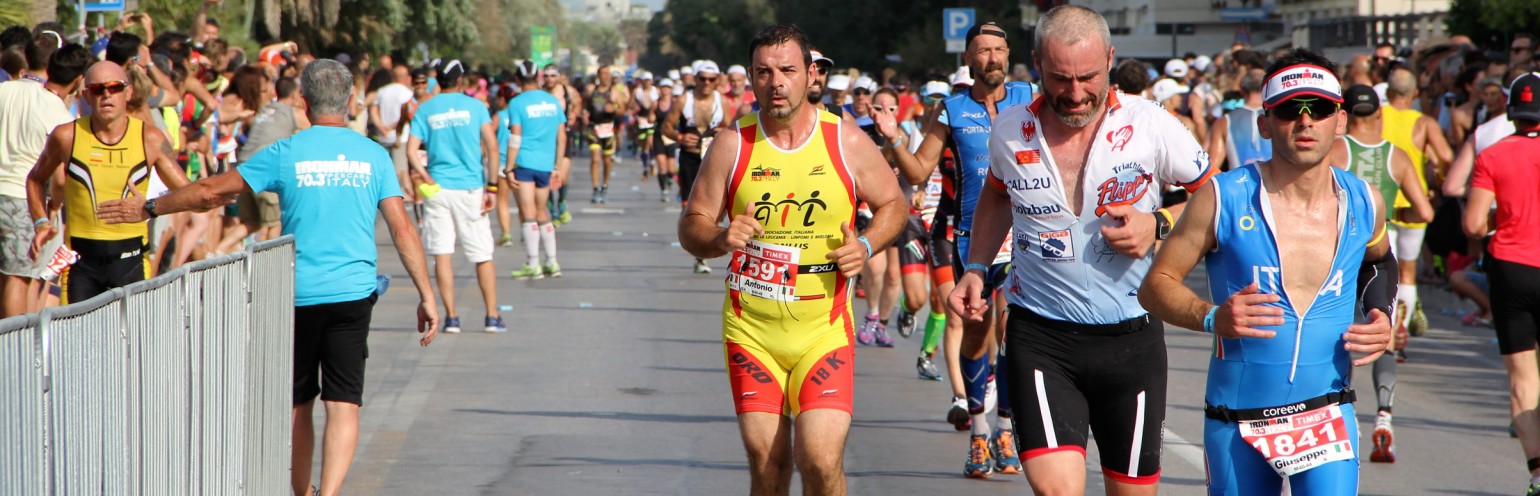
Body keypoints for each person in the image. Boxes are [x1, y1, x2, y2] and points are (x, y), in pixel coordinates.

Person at [96, 58, 440, 496]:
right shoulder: (373, 155)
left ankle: (303, 492)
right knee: (344, 402)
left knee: (299, 403)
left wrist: (148, 207)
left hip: (297, 295)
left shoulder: (286, 152)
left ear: (304, 102)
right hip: (352, 294)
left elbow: (210, 191)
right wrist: (427, 294)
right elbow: (403, 227)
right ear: (350, 101)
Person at [949, 6, 1215, 492]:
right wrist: (976, 266)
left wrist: (1158, 222)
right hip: (1040, 336)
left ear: (1110, 59)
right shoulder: (1009, 128)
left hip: (1132, 340)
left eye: (1088, 77)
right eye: (1060, 78)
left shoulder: (1151, 124)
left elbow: (1217, 200)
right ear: (1036, 64)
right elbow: (996, 195)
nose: (1075, 94)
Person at [1139, 48, 1395, 495]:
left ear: (1340, 120)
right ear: (1264, 123)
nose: (1305, 122)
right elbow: (1154, 286)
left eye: (1318, 109)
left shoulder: (1364, 201)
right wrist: (1211, 316)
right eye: (1289, 111)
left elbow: (1380, 261)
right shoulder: (1222, 197)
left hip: (1326, 416)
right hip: (1238, 421)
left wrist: (1382, 315)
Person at [676, 24, 903, 496]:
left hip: (823, 329)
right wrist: (720, 237)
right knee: (768, 464)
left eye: (787, 70)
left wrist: (865, 246)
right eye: (763, 72)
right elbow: (691, 225)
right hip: (751, 331)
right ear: (751, 78)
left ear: (810, 74)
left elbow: (894, 204)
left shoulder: (843, 139)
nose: (775, 82)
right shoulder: (732, 144)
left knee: (819, 460)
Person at [889, 20, 1033, 478]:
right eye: (982, 51)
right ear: (968, 59)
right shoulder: (951, 109)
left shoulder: (1030, 95)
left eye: (998, 50)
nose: (992, 58)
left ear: (1008, 55)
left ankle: (1005, 428)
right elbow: (918, 171)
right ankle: (978, 431)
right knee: (975, 335)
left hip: (1027, 235)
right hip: (973, 241)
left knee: (1013, 334)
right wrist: (893, 137)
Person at [1325, 83, 1434, 464]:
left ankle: (1345, 414)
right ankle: (1384, 413)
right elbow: (1425, 212)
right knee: (1379, 333)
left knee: (1342, 335)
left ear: (1344, 116)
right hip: (1379, 253)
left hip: (1338, 253)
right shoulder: (1396, 156)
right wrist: (1394, 214)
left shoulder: (1336, 150)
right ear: (1379, 115)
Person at [24, 61, 190, 303]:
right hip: (80, 264)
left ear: (128, 92)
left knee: (131, 329)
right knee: (77, 329)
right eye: (97, 89)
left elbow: (190, 195)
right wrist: (41, 223)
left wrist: (152, 206)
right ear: (86, 96)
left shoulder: (150, 139)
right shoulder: (66, 136)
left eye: (114, 87)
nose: (106, 95)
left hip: (132, 261)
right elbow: (35, 178)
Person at [1462, 72, 1540, 496]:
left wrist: (1501, 217)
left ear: (1512, 111)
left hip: (1512, 269)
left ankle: (1538, 473)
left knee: (1522, 377)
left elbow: (1474, 224)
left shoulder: (1492, 155)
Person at [404, 59, 504, 334]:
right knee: (482, 254)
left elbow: (411, 151)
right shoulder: (476, 107)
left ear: (437, 80)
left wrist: (425, 177)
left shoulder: (425, 109)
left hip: (438, 189)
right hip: (470, 189)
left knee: (442, 254)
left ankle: (451, 318)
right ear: (460, 81)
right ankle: (491, 316)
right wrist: (492, 188)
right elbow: (493, 148)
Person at [0, 42, 87, 315]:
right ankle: (15, 340)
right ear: (78, 80)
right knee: (19, 277)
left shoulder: (4, 89)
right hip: (23, 198)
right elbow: (59, 181)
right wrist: (53, 209)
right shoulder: (57, 112)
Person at [1380, 66, 1453, 350]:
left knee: (1386, 271)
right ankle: (1400, 336)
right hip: (1415, 201)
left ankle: (1386, 334)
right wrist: (1441, 179)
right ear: (1414, 94)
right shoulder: (1424, 122)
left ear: (1388, 92)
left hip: (1384, 202)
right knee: (1408, 270)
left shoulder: (1377, 116)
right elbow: (1445, 155)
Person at [502, 61, 567, 280]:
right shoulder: (552, 101)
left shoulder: (517, 103)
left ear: (518, 80)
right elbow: (562, 136)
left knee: (528, 213)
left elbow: (515, 137)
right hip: (546, 164)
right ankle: (552, 262)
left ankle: (533, 263)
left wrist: (508, 168)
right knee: (542, 212)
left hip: (525, 163)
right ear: (538, 78)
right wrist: (557, 166)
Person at [662, 60, 728, 274]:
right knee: (689, 207)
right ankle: (696, 248)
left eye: (711, 79)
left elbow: (732, 127)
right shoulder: (685, 99)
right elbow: (666, 127)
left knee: (716, 208)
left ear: (717, 80)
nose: (707, 83)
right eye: (703, 79)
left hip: (713, 159)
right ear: (696, 79)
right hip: (689, 158)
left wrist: (723, 133)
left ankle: (703, 251)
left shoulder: (722, 101)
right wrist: (680, 137)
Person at [1206, 68, 1271, 171]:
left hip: (1240, 180)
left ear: (1242, 89)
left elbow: (1212, 168)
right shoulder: (1280, 117)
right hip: (1278, 180)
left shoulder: (1224, 121)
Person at [585, 65, 629, 204]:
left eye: (608, 74)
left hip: (608, 129)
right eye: (603, 74)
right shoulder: (591, 90)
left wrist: (614, 109)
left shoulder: (614, 92)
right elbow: (585, 105)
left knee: (607, 160)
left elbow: (623, 110)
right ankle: (595, 188)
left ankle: (605, 185)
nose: (606, 76)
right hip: (594, 128)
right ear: (598, 76)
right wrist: (584, 114)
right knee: (595, 159)